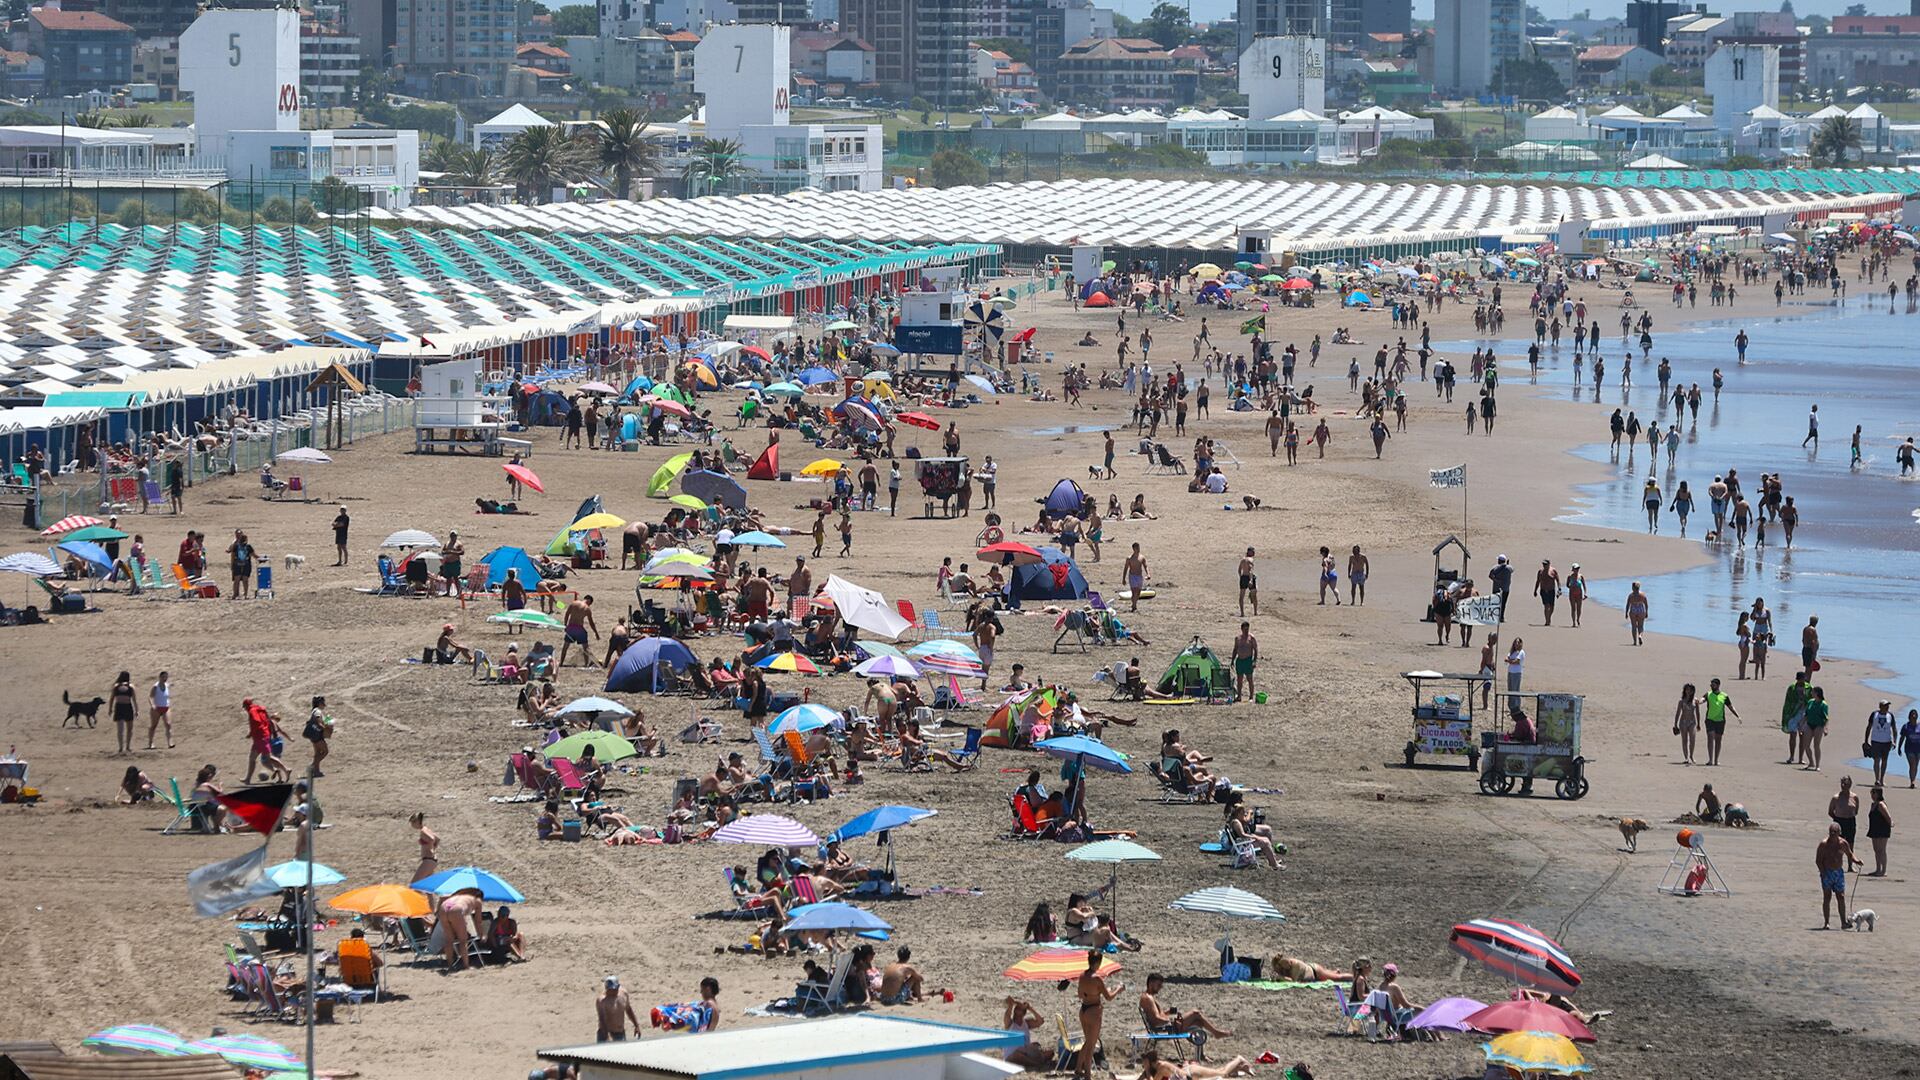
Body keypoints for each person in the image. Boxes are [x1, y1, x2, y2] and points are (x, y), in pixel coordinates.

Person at [1138, 972, 1232, 1060]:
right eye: (1158, 985)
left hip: (1165, 1027)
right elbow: (1156, 1019)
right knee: (1195, 1013)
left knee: (1198, 1023)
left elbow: (1157, 1016)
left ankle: (1200, 1055)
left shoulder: (1147, 997)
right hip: (1167, 1028)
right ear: (1151, 983)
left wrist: (1169, 1012)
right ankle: (1216, 1033)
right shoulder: (1148, 999)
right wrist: (1171, 1021)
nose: (1160, 988)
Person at [1075, 949, 1125, 1080]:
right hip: (1094, 1012)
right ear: (1097, 963)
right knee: (1091, 1045)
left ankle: (1078, 1068)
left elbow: (1080, 994)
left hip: (1084, 1010)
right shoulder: (1097, 978)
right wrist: (1118, 989)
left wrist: (1094, 994)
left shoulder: (1082, 975)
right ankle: (1087, 1075)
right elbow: (1109, 997)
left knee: (1088, 1041)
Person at [1816, 823, 1861, 930]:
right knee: (1827, 897)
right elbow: (1818, 860)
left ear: (1839, 833)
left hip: (1838, 873)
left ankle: (1843, 922)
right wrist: (1823, 873)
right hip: (1827, 872)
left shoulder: (1843, 843)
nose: (1832, 835)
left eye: (1835, 833)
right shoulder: (1823, 844)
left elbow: (1850, 854)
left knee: (1841, 897)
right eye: (1831, 833)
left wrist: (1856, 861)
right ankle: (1826, 922)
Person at [1000, 998, 1055, 1071]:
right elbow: (1007, 1015)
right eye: (1017, 1009)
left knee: (1050, 1052)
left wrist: (1030, 1008)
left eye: (1020, 1009)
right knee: (1018, 1055)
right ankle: (1036, 1064)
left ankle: (1038, 1060)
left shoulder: (1026, 1023)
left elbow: (1040, 1021)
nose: (1017, 1010)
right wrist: (1011, 1005)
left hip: (1026, 1052)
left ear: (1023, 1013)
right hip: (1012, 1056)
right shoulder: (1010, 1024)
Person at [243, 699, 290, 782]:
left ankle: (283, 769)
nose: (245, 709)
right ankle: (248, 779)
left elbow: (256, 722)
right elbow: (267, 720)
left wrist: (251, 733)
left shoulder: (252, 711)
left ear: (246, 706)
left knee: (264, 759)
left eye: (244, 707)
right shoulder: (260, 709)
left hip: (260, 737)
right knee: (258, 758)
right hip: (265, 736)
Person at [1701, 678, 1737, 766]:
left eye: (1713, 685)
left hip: (1720, 720)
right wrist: (1699, 702)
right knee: (1710, 738)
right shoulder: (1708, 694)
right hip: (1710, 719)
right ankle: (1710, 760)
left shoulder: (1724, 696)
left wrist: (1737, 716)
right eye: (1711, 685)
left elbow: (1730, 707)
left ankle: (1716, 760)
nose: (1711, 686)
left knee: (1718, 740)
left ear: (1718, 685)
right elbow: (1702, 699)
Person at [597, 975, 641, 1041]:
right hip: (605, 1033)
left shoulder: (623, 994)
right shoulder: (602, 1001)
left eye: (614, 989)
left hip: (620, 1033)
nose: (612, 991)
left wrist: (636, 1025)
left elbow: (628, 1010)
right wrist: (607, 1035)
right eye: (610, 990)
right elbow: (602, 1019)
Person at [559, 595, 599, 668]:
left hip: (571, 628)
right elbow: (591, 623)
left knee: (565, 646)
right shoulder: (587, 609)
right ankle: (586, 664)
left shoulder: (574, 603)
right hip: (579, 629)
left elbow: (567, 614)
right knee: (585, 647)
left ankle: (561, 663)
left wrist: (565, 625)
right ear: (589, 601)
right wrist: (596, 633)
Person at [1865, 700, 1897, 787]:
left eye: (1888, 706)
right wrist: (1866, 740)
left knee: (1884, 761)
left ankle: (1882, 779)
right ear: (1880, 706)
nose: (1887, 707)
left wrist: (1894, 741)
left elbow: (1894, 729)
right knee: (1876, 760)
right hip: (1876, 741)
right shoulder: (1874, 714)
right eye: (1885, 706)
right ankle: (1877, 779)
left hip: (1887, 742)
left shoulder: (1890, 715)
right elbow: (1869, 727)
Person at [303, 695, 334, 777]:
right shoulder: (317, 711)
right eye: (323, 703)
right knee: (325, 751)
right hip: (317, 735)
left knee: (317, 753)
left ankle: (316, 771)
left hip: (314, 735)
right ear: (320, 703)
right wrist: (326, 728)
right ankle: (312, 766)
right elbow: (319, 722)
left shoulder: (315, 711)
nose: (324, 704)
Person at [109, 670, 137, 755]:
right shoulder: (130, 686)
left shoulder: (117, 686)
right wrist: (136, 710)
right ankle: (126, 747)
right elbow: (134, 700)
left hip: (120, 707)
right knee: (128, 729)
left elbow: (111, 699)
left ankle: (122, 747)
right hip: (126, 707)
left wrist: (110, 709)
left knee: (121, 729)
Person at [1803, 686, 1831, 771]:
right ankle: (1811, 762)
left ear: (1817, 693)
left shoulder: (1823, 704)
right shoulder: (1810, 702)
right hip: (1809, 724)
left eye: (1813, 692)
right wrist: (1801, 723)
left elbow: (1826, 718)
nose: (1811, 693)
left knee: (1816, 745)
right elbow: (1806, 714)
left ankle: (1817, 765)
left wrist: (1826, 728)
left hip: (1819, 725)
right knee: (1806, 745)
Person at [1231, 621, 1258, 702]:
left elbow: (1255, 649)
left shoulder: (1251, 638)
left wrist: (1254, 661)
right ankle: (1239, 696)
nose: (1246, 631)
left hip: (1248, 660)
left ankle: (1251, 697)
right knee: (1239, 679)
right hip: (1240, 660)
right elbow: (1235, 649)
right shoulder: (1238, 638)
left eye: (1247, 629)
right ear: (1242, 629)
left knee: (1250, 679)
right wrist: (1232, 660)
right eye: (1245, 629)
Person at [410, 811, 439, 883]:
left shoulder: (423, 831)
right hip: (431, 860)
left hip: (428, 860)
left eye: (412, 822)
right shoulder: (426, 829)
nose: (412, 825)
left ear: (417, 822)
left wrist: (430, 846)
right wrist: (433, 848)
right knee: (427, 884)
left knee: (414, 884)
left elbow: (432, 838)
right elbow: (437, 839)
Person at [227, 529, 255, 600]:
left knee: (239, 580)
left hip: (239, 564)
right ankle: (239, 594)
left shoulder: (238, 545)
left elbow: (232, 554)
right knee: (242, 580)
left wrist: (232, 564)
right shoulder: (238, 545)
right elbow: (253, 555)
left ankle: (240, 594)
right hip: (243, 564)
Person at [1123, 543, 1149, 613]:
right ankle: (1134, 607)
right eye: (1137, 548)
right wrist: (1123, 579)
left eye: (1139, 548)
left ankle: (1134, 604)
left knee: (1138, 593)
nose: (1138, 549)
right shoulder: (1129, 558)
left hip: (1139, 576)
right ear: (1133, 549)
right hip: (1132, 576)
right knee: (1134, 592)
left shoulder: (1142, 557)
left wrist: (1148, 574)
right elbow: (1125, 568)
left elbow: (1145, 566)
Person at [1533, 559, 1559, 626]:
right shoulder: (1540, 572)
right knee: (1546, 605)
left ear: (1549, 564)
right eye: (1543, 564)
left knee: (1552, 606)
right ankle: (1547, 621)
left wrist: (1559, 589)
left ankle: (1549, 617)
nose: (1544, 565)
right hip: (1543, 590)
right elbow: (1538, 581)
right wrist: (1535, 590)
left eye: (1545, 564)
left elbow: (1557, 580)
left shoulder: (1553, 571)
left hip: (1551, 590)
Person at [1623, 582, 1649, 646]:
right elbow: (1646, 604)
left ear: (1633, 588)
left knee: (1634, 626)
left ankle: (1635, 642)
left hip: (1633, 609)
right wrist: (1646, 612)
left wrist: (1626, 613)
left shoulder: (1631, 596)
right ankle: (1640, 636)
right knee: (1641, 626)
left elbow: (1628, 605)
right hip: (1641, 610)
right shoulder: (1642, 595)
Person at [1901, 709, 1920, 790]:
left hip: (1918, 749)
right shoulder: (1906, 726)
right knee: (1913, 764)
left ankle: (1913, 780)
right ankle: (1912, 782)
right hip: (1909, 749)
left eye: (1915, 715)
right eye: (1912, 715)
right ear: (1909, 717)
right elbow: (1902, 737)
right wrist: (1899, 747)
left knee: (1916, 765)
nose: (1914, 716)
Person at [1565, 563, 1585, 627]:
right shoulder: (1570, 577)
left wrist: (1585, 594)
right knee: (1573, 608)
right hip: (1572, 594)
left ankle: (1578, 619)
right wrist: (1571, 587)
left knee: (1579, 608)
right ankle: (1573, 622)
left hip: (1579, 594)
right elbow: (1567, 585)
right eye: (1575, 569)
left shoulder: (1581, 576)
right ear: (1573, 569)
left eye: (1578, 568)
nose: (1577, 570)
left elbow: (1584, 585)